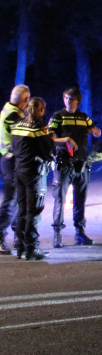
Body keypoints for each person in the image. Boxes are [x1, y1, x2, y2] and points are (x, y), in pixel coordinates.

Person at [13, 98, 77, 260]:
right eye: (43, 109)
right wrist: (51, 138)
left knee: (22, 209)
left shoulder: (18, 125)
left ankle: (20, 246)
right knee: (34, 210)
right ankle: (32, 248)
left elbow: (14, 148)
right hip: (34, 173)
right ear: (40, 110)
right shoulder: (40, 127)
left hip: (19, 171)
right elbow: (48, 152)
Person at [49, 87, 101, 247]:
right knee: (60, 199)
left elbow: (95, 131)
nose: (68, 101)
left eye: (71, 99)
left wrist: (95, 131)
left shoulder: (83, 117)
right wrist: (66, 140)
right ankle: (57, 234)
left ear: (78, 101)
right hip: (64, 162)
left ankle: (80, 233)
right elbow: (50, 138)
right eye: (66, 98)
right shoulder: (58, 116)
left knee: (80, 199)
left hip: (81, 163)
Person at [0, 84, 30, 254]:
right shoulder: (13, 115)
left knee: (18, 200)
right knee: (12, 201)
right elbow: (23, 137)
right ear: (24, 99)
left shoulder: (8, 109)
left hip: (10, 159)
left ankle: (19, 237)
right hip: (11, 160)